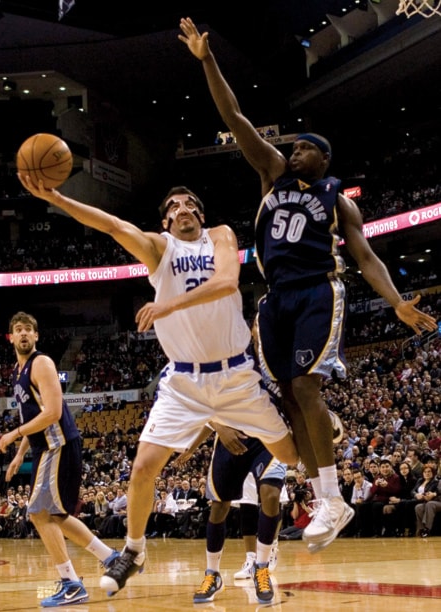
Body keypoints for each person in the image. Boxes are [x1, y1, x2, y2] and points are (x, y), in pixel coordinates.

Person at [178, 16, 438, 553]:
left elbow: (365, 258)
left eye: (303, 148)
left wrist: (394, 303)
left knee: (305, 387)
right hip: (274, 300)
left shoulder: (339, 202)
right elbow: (237, 116)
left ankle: (331, 496)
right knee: (287, 400)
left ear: (324, 159)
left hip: (319, 290)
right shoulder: (272, 175)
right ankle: (325, 497)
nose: (292, 151)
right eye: (291, 148)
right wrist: (208, 60)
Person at [16, 177, 299, 598]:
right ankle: (134, 550)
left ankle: (326, 473)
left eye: (190, 204)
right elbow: (111, 225)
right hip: (184, 381)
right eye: (174, 206)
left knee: (291, 456)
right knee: (143, 467)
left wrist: (166, 305)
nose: (182, 208)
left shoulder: (219, 236)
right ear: (165, 220)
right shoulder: (159, 248)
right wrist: (56, 199)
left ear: (200, 214)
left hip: (236, 374)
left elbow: (226, 283)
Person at [0, 311, 121, 607]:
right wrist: (19, 455)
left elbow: (52, 413)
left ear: (36, 336)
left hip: (59, 444)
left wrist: (13, 434)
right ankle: (112, 558)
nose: (24, 333)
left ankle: (72, 584)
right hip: (46, 448)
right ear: (11, 337)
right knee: (57, 516)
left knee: (39, 513)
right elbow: (35, 416)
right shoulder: (17, 371)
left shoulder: (41, 363)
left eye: (29, 329)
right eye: (18, 329)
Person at [174, 421, 289, 605]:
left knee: (272, 494)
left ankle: (261, 567)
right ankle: (213, 575)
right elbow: (209, 406)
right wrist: (216, 432)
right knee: (219, 506)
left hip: (267, 435)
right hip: (230, 435)